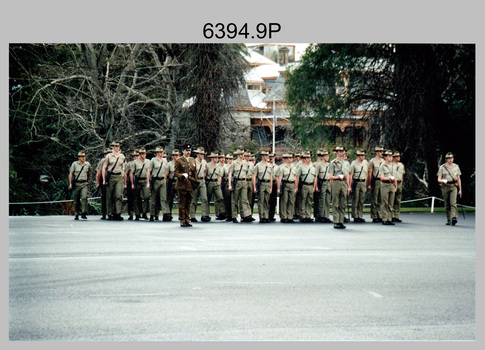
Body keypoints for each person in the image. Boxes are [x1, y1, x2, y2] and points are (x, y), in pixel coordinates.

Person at [174, 143, 198, 227]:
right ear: (183, 151)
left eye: (189, 150)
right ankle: (182, 220)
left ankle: (187, 219)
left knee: (188, 203)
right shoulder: (179, 160)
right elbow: (175, 173)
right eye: (186, 151)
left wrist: (195, 182)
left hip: (190, 185)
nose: (188, 152)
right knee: (182, 203)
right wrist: (182, 175)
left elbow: (195, 172)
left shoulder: (193, 160)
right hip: (182, 184)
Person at [102, 141, 126, 221]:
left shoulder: (122, 156)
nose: (117, 148)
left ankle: (118, 213)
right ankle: (109, 213)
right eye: (115, 146)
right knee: (109, 195)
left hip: (119, 176)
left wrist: (123, 176)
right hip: (111, 176)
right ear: (112, 147)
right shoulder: (109, 156)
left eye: (118, 146)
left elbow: (123, 166)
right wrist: (104, 179)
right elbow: (104, 167)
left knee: (119, 195)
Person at [437, 152, 462, 226]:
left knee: (453, 202)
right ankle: (449, 218)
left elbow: (458, 178)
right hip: (445, 186)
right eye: (448, 159)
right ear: (446, 159)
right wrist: (442, 181)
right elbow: (439, 179)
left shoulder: (456, 167)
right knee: (447, 203)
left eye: (451, 158)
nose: (450, 160)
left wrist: (460, 189)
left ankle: (454, 217)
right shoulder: (442, 167)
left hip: (453, 186)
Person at [329, 146, 351, 229]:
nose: (342, 153)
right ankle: (336, 221)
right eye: (340, 151)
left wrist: (348, 185)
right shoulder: (333, 163)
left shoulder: (346, 163)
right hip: (336, 183)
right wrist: (338, 177)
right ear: (337, 152)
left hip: (344, 183)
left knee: (343, 203)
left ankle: (341, 220)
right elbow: (330, 176)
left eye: (343, 151)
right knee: (336, 202)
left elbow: (348, 175)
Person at [228, 148, 252, 223]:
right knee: (235, 200)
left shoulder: (245, 163)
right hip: (237, 181)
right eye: (241, 154)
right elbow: (230, 174)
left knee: (244, 199)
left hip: (243, 181)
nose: (242, 155)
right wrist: (230, 185)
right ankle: (234, 216)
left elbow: (245, 173)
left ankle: (245, 215)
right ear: (238, 155)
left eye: (243, 154)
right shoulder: (234, 163)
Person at [147, 146, 170, 221]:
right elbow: (149, 171)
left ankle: (165, 213)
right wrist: (148, 182)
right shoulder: (153, 160)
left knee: (163, 198)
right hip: (155, 180)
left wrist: (165, 180)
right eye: (159, 152)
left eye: (162, 152)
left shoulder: (165, 161)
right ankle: (152, 214)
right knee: (153, 198)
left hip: (162, 180)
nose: (161, 154)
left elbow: (166, 172)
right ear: (156, 153)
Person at [294, 151, 317, 223]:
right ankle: (303, 216)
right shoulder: (301, 167)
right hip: (304, 185)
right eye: (307, 158)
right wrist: (296, 187)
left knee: (309, 201)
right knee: (303, 201)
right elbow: (297, 177)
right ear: (304, 159)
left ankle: (308, 215)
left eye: (309, 158)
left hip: (310, 185)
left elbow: (315, 177)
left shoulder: (313, 167)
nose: (309, 159)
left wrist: (314, 186)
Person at [190, 147, 210, 222]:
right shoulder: (193, 162)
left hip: (202, 180)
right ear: (197, 154)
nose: (202, 155)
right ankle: (192, 215)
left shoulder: (204, 162)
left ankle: (204, 215)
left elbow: (205, 171)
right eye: (201, 154)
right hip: (195, 180)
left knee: (204, 198)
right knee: (194, 199)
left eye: (203, 154)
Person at [69, 151, 91, 220]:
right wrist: (70, 183)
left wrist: (88, 181)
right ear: (79, 158)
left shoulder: (87, 164)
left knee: (84, 197)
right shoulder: (75, 164)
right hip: (77, 183)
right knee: (76, 199)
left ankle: (84, 212)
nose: (83, 158)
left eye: (84, 157)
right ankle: (76, 213)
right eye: (81, 157)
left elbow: (89, 173)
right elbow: (71, 174)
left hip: (84, 183)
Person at [253, 150, 273, 223]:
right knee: (261, 200)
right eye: (265, 155)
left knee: (267, 201)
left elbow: (271, 176)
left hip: (267, 184)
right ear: (262, 156)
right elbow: (254, 176)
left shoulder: (269, 165)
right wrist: (255, 187)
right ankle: (261, 216)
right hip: (261, 183)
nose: (266, 157)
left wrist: (271, 187)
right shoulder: (258, 165)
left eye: (267, 156)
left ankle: (266, 216)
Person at [378, 150, 398, 225]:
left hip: (391, 185)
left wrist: (396, 185)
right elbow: (382, 177)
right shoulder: (382, 166)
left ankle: (389, 218)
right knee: (384, 202)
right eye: (389, 156)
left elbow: (395, 176)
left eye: (391, 156)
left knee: (391, 202)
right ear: (385, 157)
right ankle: (384, 218)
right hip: (385, 184)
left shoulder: (394, 166)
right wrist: (389, 178)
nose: (390, 158)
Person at [130, 147, 150, 220]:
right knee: (137, 198)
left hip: (145, 180)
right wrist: (132, 183)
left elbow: (149, 172)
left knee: (146, 196)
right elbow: (131, 173)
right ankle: (137, 214)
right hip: (138, 180)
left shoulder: (148, 162)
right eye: (141, 154)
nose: (143, 155)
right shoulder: (135, 162)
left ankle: (145, 213)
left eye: (144, 153)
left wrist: (148, 182)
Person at [277, 152, 297, 223]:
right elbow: (280, 178)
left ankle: (290, 216)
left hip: (292, 184)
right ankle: (284, 216)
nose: (291, 159)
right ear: (286, 159)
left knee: (291, 201)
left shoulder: (294, 167)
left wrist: (296, 187)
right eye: (290, 158)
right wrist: (278, 188)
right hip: (285, 183)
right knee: (284, 200)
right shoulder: (282, 167)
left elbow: (295, 177)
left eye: (291, 158)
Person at [349, 150, 368, 223]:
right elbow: (351, 174)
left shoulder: (366, 163)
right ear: (357, 156)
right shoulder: (354, 163)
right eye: (360, 155)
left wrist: (365, 184)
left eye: (363, 155)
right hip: (356, 181)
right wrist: (350, 185)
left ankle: (360, 215)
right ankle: (355, 215)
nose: (362, 157)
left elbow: (366, 174)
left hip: (363, 182)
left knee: (361, 199)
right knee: (356, 199)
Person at [206, 152, 226, 221]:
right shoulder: (207, 165)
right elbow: (205, 175)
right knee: (207, 199)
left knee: (220, 198)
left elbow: (219, 176)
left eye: (217, 157)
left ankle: (222, 213)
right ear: (211, 158)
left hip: (216, 182)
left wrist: (219, 184)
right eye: (215, 157)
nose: (216, 159)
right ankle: (206, 214)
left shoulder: (218, 166)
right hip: (209, 182)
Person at [314, 150, 332, 223]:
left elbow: (331, 175)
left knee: (327, 200)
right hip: (322, 182)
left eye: (328, 156)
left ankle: (326, 215)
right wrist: (316, 186)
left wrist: (331, 184)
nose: (327, 157)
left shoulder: (329, 164)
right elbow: (316, 176)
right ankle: (321, 215)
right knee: (322, 199)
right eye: (326, 156)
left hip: (328, 182)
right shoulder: (319, 165)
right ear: (323, 157)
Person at [368, 146, 385, 223]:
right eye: (381, 152)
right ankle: (374, 215)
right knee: (374, 199)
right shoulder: (372, 161)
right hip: (375, 180)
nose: (382, 153)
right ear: (377, 152)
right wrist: (369, 183)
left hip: (382, 180)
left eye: (382, 151)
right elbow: (370, 173)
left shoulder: (384, 161)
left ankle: (380, 215)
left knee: (381, 199)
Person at [95, 148, 111, 220]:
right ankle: (104, 213)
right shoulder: (102, 161)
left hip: (111, 179)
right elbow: (99, 172)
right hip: (104, 180)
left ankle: (111, 213)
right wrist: (98, 182)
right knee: (104, 197)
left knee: (111, 197)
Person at [166, 149, 180, 221]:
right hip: (171, 181)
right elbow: (166, 174)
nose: (175, 157)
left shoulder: (181, 163)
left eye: (177, 155)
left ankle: (181, 214)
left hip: (179, 182)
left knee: (180, 199)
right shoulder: (169, 164)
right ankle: (168, 214)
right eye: (174, 155)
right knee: (169, 198)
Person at [125, 150, 139, 220]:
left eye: (137, 156)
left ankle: (138, 214)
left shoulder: (142, 163)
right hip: (130, 182)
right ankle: (130, 214)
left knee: (137, 198)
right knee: (130, 199)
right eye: (135, 156)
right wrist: (125, 183)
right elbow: (126, 173)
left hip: (138, 181)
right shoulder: (130, 164)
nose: (136, 157)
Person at [392, 151, 405, 223]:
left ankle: (396, 215)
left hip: (399, 182)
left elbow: (402, 174)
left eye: (399, 156)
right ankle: (391, 215)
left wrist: (402, 180)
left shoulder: (401, 165)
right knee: (392, 200)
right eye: (396, 157)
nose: (398, 158)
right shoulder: (391, 165)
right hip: (393, 183)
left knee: (398, 200)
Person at [221, 153, 233, 221]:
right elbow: (221, 176)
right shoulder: (224, 167)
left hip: (233, 183)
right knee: (227, 200)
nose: (230, 160)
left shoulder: (234, 166)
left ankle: (233, 214)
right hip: (226, 183)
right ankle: (228, 215)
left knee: (233, 201)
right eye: (228, 159)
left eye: (231, 159)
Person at [268, 153, 278, 222]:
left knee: (273, 200)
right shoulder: (267, 166)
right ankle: (266, 215)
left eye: (272, 157)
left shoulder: (276, 167)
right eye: (270, 157)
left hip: (274, 183)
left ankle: (272, 215)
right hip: (267, 182)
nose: (271, 158)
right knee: (267, 200)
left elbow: (277, 176)